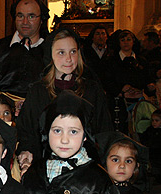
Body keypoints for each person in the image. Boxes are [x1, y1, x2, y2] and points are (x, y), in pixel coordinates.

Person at [16, 28, 113, 172]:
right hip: (46, 166)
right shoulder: (38, 91)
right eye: (61, 52)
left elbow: (104, 129)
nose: (69, 59)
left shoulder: (92, 89)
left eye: (73, 52)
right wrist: (26, 152)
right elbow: (28, 130)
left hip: (86, 168)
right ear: (51, 55)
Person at [0, 0, 50, 102]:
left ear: (41, 20)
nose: (25, 22)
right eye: (20, 16)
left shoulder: (50, 49)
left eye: (31, 16)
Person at [140, 108, 161, 186]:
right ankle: (157, 178)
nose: (154, 123)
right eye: (153, 120)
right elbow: (144, 137)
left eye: (157, 121)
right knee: (155, 166)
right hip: (153, 152)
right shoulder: (150, 129)